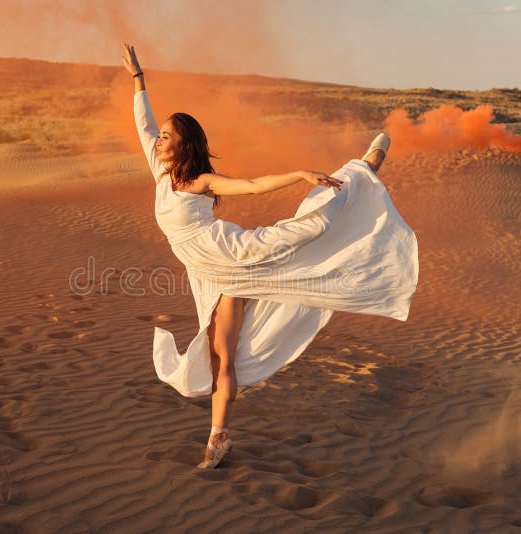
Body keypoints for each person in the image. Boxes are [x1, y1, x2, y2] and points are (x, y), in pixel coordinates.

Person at [122, 43, 418, 469]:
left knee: (305, 232)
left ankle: (364, 168)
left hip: (231, 254)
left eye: (168, 135)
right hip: (205, 272)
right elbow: (143, 123)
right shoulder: (160, 168)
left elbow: (254, 184)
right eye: (162, 135)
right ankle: (220, 438)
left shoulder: (203, 180)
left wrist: (300, 173)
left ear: (183, 146)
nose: (159, 138)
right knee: (219, 355)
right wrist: (138, 79)